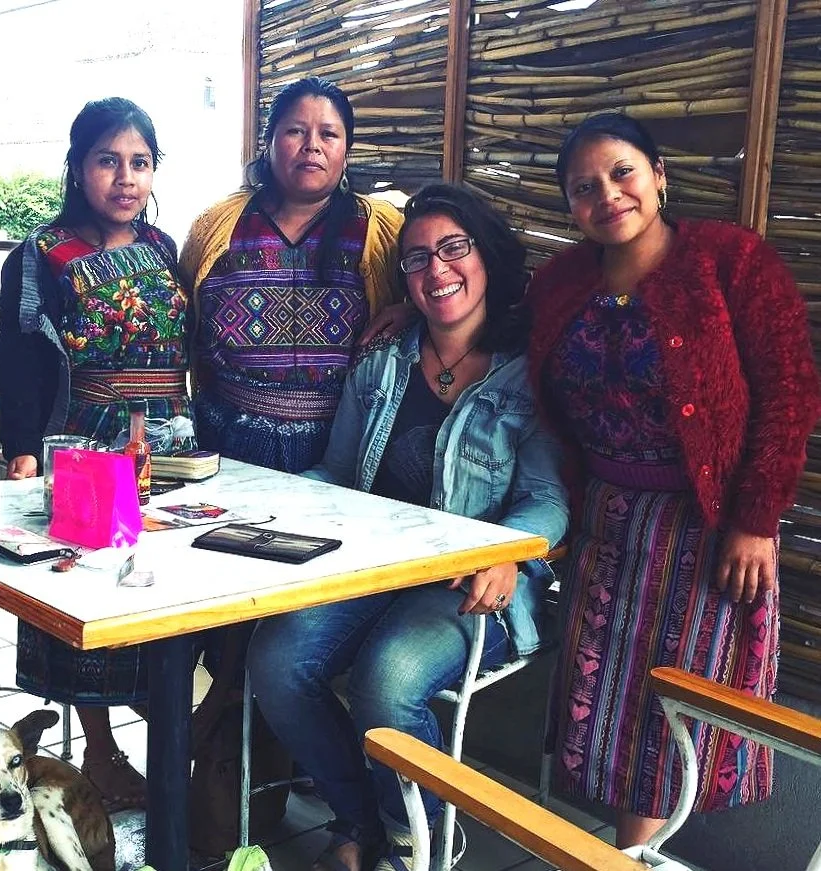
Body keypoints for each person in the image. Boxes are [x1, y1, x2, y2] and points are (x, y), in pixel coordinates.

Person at [248, 183, 569, 871]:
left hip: (468, 582)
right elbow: (337, 472)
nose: (436, 270)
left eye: (453, 249)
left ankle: (414, 838)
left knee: (387, 677)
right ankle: (361, 816)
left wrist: (505, 553)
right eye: (417, 258)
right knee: (276, 661)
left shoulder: (526, 376)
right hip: (370, 565)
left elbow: (547, 499)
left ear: (487, 258)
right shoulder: (383, 362)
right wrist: (259, 501)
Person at [527, 112, 821, 849]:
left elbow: (789, 391)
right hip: (605, 519)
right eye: (583, 187)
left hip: (705, 526)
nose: (607, 195)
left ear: (658, 175)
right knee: (606, 699)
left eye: (622, 172)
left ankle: (626, 854)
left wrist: (754, 519)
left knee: (669, 705)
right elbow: (499, 335)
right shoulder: (562, 282)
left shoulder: (731, 263)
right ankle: (622, 851)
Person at [0, 97, 192, 810]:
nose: (125, 177)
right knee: (90, 592)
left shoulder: (165, 249)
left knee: (162, 585)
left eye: (139, 162)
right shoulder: (42, 253)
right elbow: (16, 360)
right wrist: (21, 449)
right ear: (78, 167)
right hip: (84, 442)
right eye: (108, 160)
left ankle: (173, 735)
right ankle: (100, 750)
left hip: (165, 442)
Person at [179, 76, 403, 473]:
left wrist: (411, 310)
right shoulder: (216, 227)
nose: (311, 145)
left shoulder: (379, 229)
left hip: (344, 449)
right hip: (225, 441)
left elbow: (435, 292)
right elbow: (185, 324)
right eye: (296, 131)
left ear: (346, 151)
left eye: (329, 134)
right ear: (268, 143)